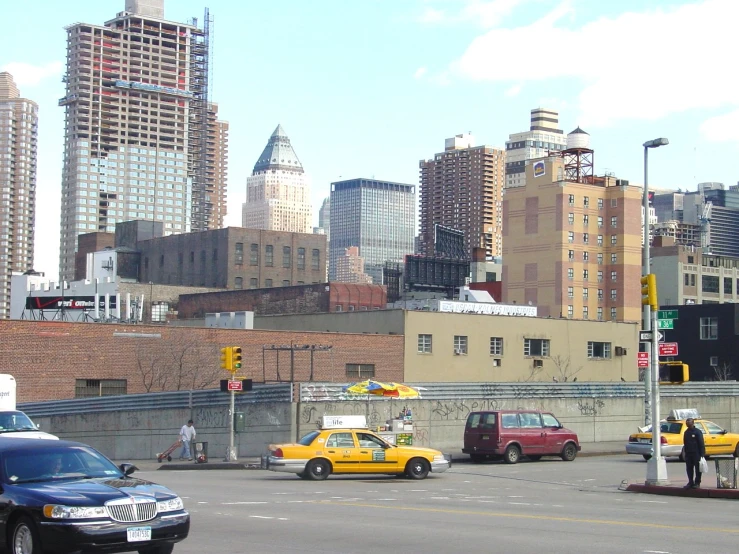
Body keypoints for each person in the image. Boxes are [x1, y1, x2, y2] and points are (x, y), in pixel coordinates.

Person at [683, 418, 705, 489]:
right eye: (686, 422)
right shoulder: (686, 432)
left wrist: (702, 455)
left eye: (688, 422)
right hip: (689, 454)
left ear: (692, 423)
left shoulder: (697, 432)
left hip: (696, 453)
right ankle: (690, 482)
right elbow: (685, 443)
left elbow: (701, 443)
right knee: (689, 468)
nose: (687, 423)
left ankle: (697, 482)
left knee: (698, 469)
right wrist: (685, 453)